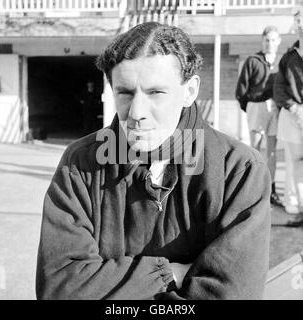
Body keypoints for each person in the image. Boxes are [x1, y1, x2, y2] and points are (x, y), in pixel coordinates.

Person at [36, 22, 271, 300]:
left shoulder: (240, 170)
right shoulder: (80, 164)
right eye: (125, 93)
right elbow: (59, 289)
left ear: (190, 91)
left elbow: (233, 292)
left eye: (155, 93)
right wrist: (167, 274)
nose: (136, 112)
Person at [236, 26, 283, 208]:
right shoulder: (253, 61)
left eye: (273, 40)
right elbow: (241, 89)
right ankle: (252, 190)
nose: (269, 43)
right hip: (256, 106)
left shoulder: (281, 61)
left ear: (278, 41)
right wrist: (249, 106)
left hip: (275, 108)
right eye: (266, 40)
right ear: (262, 41)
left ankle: (271, 190)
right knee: (254, 149)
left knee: (271, 151)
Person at [273, 10, 303, 215]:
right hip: (294, 117)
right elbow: (279, 88)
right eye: (299, 21)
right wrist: (294, 108)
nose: (300, 24)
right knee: (295, 162)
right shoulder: (289, 58)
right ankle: (296, 206)